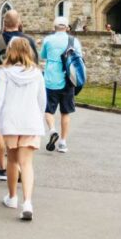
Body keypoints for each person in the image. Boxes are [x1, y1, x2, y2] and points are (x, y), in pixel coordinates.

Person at [0, 38, 46, 221]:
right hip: (30, 121)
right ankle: (27, 202)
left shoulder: (4, 73)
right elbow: (42, 100)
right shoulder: (36, 73)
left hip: (11, 121)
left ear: (11, 51)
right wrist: (39, 117)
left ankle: (12, 197)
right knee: (27, 163)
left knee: (12, 161)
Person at [0, 10, 38, 181]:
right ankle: (20, 164)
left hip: (1, 87)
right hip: (25, 90)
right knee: (20, 126)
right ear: (19, 22)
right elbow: (35, 65)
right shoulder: (28, 41)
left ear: (3, 23)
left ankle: (3, 168)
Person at [40, 16, 83, 153]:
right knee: (65, 112)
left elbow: (43, 56)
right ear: (67, 27)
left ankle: (52, 130)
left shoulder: (48, 40)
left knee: (49, 110)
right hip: (68, 79)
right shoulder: (74, 41)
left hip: (51, 79)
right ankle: (63, 143)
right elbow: (80, 58)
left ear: (54, 27)